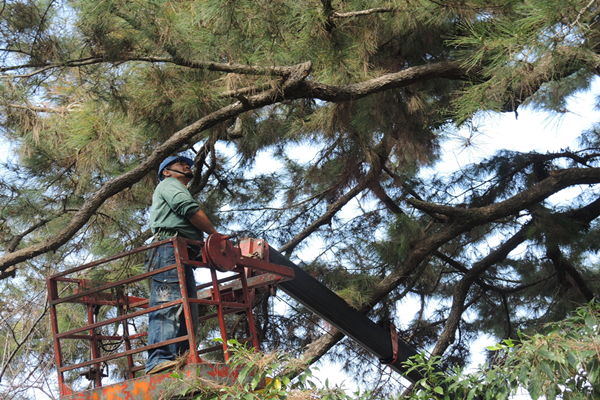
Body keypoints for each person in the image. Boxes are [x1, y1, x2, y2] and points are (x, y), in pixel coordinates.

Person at [145, 155, 217, 374]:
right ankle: (159, 360)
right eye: (180, 164)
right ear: (166, 172)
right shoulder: (170, 184)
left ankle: (180, 359)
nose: (188, 166)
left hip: (180, 251)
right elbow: (188, 209)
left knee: (185, 307)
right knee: (169, 303)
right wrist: (215, 236)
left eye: (189, 164)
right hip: (169, 249)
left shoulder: (175, 185)